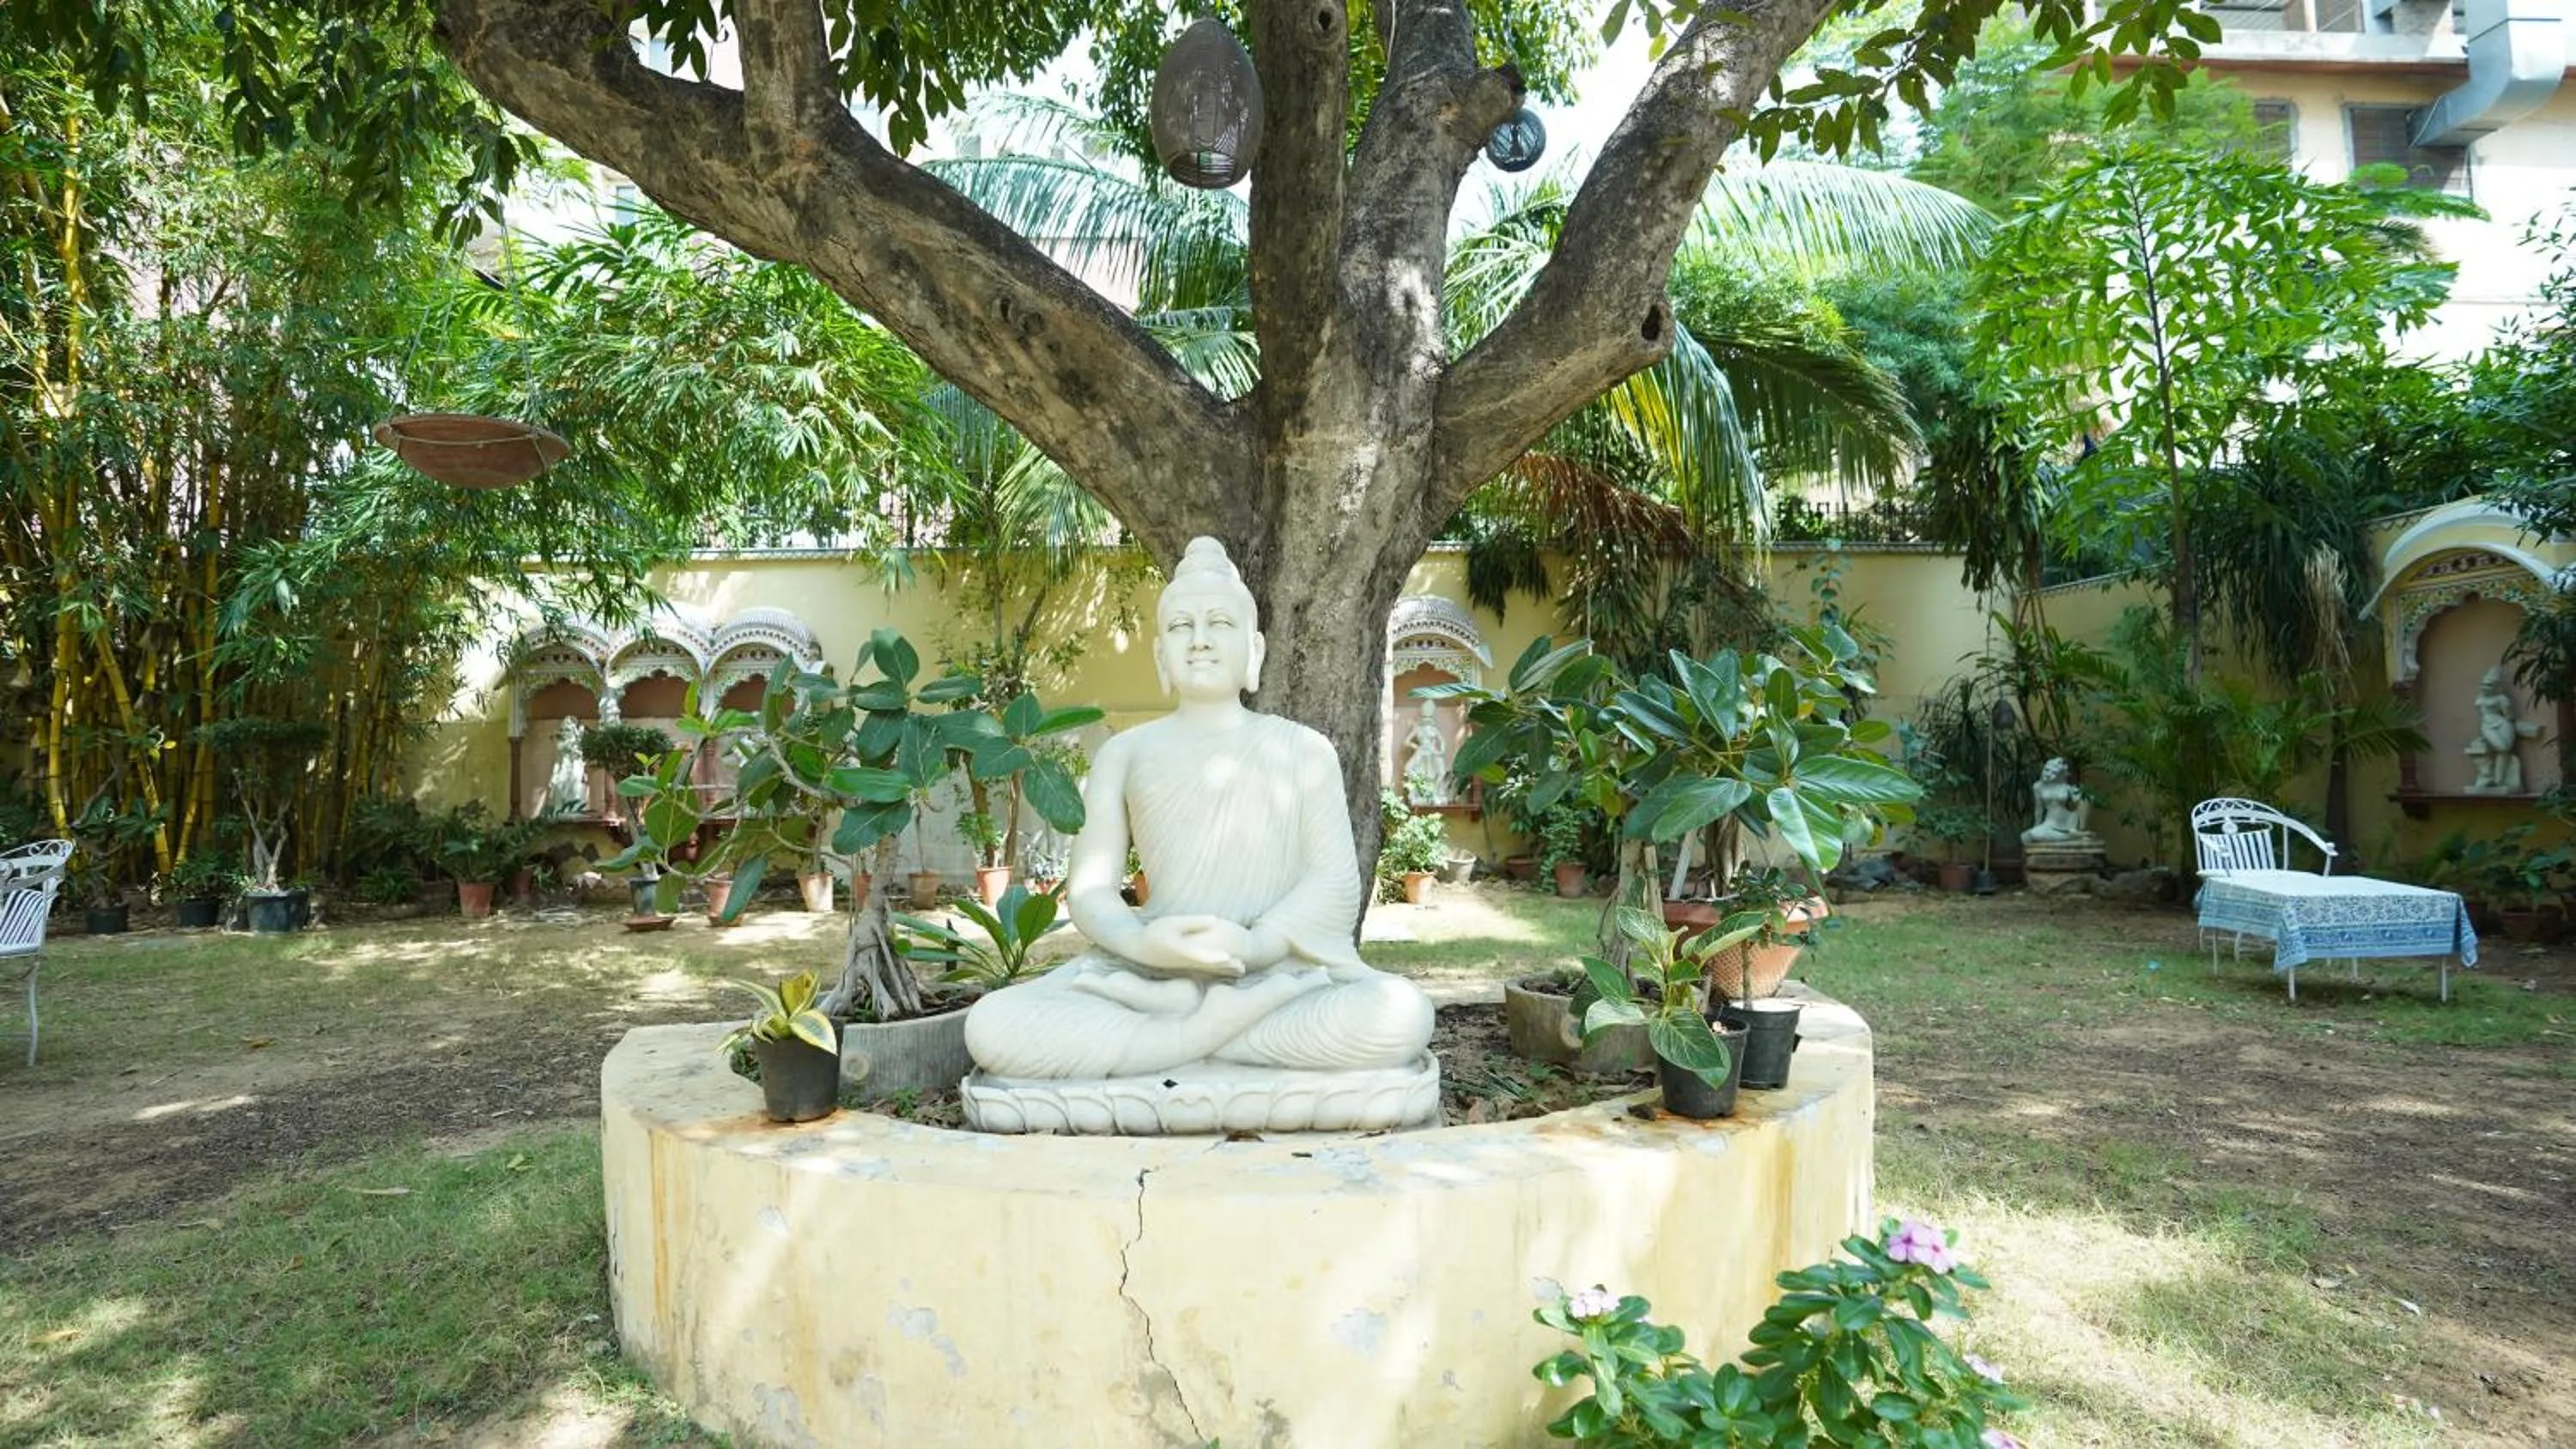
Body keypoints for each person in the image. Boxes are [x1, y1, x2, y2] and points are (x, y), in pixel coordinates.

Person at [962, 537, 1436, 1082]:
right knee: (993, 1025)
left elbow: (1333, 881)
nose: (1201, 642)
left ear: (1253, 652)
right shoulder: (1125, 753)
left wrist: (1259, 945)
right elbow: (1091, 890)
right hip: (1153, 973)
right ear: (1162, 655)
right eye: (1182, 627)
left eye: (1220, 624)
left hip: (1275, 975)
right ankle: (1201, 1032)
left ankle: (1181, 1035)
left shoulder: (1305, 750)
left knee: (1400, 1014)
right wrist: (1143, 942)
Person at [2464, 666, 2537, 795]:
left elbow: (2509, 716)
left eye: (2490, 685)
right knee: (2501, 747)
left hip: (2503, 724)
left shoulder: (2502, 699)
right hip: (2487, 725)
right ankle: (2489, 776)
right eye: (2484, 685)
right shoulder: (2480, 699)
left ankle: (2500, 780)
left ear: (2496, 686)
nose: (2486, 688)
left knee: (2505, 749)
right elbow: (2482, 717)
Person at [2020, 757, 2094, 846]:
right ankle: (2073, 836)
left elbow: (2085, 799)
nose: (2066, 774)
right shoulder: (2039, 787)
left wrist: (2082, 824)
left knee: (2033, 835)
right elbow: (2039, 809)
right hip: (2050, 822)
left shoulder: (2066, 787)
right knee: (2027, 836)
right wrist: (2037, 825)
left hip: (2067, 821)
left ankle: (2077, 833)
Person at [1401, 699, 1451, 805]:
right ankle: (1418, 791)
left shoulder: (1434, 729)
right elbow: (1406, 742)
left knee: (1441, 772)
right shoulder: (1418, 728)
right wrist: (1417, 747)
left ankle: (1435, 792)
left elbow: (1442, 741)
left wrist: (1440, 751)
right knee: (1408, 768)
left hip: (1433, 753)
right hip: (1421, 753)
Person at [548, 718, 588, 815]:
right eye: (563, 730)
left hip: (575, 769)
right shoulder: (562, 744)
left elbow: (582, 757)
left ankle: (573, 809)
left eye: (568, 730)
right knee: (559, 787)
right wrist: (554, 774)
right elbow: (559, 757)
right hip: (563, 769)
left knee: (575, 789)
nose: (565, 732)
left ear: (574, 731)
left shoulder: (579, 744)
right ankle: (559, 809)